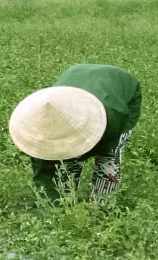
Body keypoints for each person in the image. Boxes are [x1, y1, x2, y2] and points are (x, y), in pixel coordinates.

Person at [10, 64, 140, 202]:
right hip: (76, 75)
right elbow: (44, 170)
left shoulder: (112, 114)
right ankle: (65, 200)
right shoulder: (41, 121)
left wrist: (83, 152)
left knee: (108, 159)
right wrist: (53, 203)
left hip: (120, 91)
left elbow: (108, 146)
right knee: (66, 161)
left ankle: (102, 207)